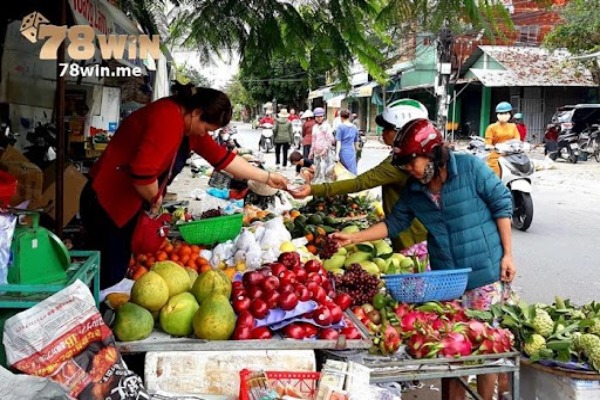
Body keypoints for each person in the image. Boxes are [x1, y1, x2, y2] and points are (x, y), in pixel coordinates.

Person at [332, 118, 515, 400]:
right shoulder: (415, 191)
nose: (407, 169)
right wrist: (353, 238)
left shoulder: (470, 168)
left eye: (410, 162)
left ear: (431, 152)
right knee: (449, 352)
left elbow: (502, 203)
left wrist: (508, 255)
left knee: (483, 349)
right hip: (448, 280)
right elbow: (394, 224)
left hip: (485, 273)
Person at [80, 83, 288, 289]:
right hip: (107, 202)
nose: (204, 134)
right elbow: (142, 173)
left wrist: (266, 177)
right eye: (206, 128)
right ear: (197, 113)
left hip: (125, 204)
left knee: (114, 267)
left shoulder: (189, 125)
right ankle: (87, 315)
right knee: (107, 274)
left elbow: (223, 159)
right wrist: (156, 202)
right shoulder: (168, 117)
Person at [290, 99, 429, 251]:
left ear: (402, 132)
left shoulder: (399, 164)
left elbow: (359, 183)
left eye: (386, 128)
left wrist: (313, 190)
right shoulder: (416, 157)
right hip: (413, 230)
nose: (382, 132)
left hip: (413, 238)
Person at [485, 102, 520, 176]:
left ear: (510, 114)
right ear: (497, 115)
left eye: (506, 113)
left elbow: (517, 140)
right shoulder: (491, 127)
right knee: (495, 176)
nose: (503, 115)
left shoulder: (513, 126)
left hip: (510, 155)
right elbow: (488, 143)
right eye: (501, 113)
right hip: (496, 155)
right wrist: (490, 147)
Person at [310, 107, 335, 183]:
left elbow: (330, 139)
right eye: (317, 117)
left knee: (327, 170)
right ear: (315, 117)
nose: (319, 118)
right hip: (317, 152)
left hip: (326, 152)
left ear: (323, 117)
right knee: (317, 169)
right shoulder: (315, 127)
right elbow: (313, 140)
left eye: (321, 116)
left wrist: (325, 149)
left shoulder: (327, 126)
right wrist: (311, 152)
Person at [334, 109, 360, 175]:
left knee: (343, 170)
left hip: (343, 151)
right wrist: (358, 150)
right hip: (351, 151)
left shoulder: (340, 127)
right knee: (352, 169)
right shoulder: (354, 127)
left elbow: (338, 142)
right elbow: (356, 142)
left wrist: (337, 154)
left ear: (341, 117)